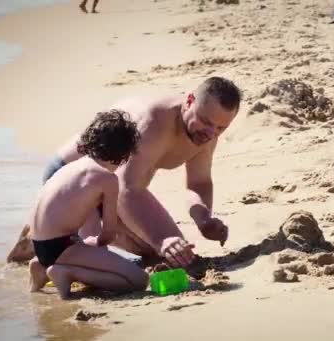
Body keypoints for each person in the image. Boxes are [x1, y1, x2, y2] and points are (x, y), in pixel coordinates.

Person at [23, 76, 241, 270]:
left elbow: (199, 183)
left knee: (158, 251)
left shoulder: (206, 133)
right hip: (69, 180)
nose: (211, 133)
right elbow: (127, 188)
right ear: (190, 101)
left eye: (221, 128)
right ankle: (44, 238)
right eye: (206, 122)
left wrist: (203, 219)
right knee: (169, 252)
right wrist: (164, 239)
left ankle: (39, 237)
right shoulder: (155, 120)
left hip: (110, 188)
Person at [28, 109, 148, 299]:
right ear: (125, 152)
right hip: (60, 246)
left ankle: (41, 265)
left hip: (39, 242)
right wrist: (98, 243)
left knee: (84, 251)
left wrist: (86, 246)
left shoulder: (71, 167)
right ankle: (67, 272)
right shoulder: (107, 179)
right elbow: (109, 232)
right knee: (139, 280)